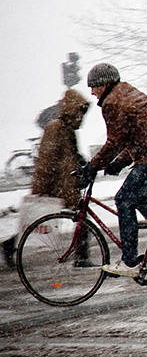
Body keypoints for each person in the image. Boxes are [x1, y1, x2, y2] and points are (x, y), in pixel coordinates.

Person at [76, 63, 147, 279]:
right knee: (136, 196)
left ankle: (130, 261)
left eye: (94, 86)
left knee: (124, 199)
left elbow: (115, 141)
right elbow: (139, 135)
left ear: (106, 83)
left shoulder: (113, 102)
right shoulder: (127, 94)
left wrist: (92, 166)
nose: (92, 92)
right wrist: (119, 162)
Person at [2, 89, 90, 267]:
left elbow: (73, 156)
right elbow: (46, 161)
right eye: (79, 111)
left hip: (66, 184)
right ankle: (10, 244)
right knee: (37, 219)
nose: (81, 117)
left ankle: (82, 257)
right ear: (72, 110)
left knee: (81, 217)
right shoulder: (56, 127)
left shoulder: (67, 129)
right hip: (56, 186)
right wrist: (40, 190)